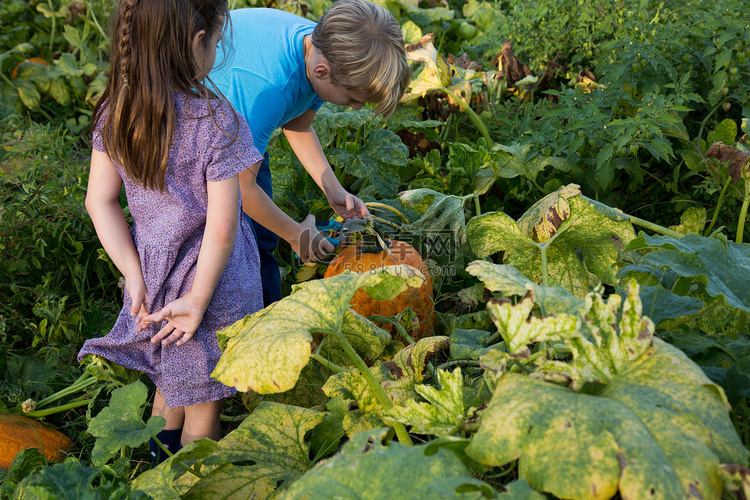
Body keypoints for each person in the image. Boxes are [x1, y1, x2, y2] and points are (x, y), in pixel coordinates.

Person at [77, 0, 331, 466]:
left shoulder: (116, 112)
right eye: (218, 41)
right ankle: (195, 483)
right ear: (198, 43)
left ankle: (153, 475)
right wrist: (196, 300)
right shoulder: (217, 122)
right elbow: (222, 230)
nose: (219, 49)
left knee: (169, 387)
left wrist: (133, 273)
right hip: (213, 287)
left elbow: (100, 202)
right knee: (203, 408)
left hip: (155, 276)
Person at [209, 0, 412, 306]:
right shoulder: (271, 87)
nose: (356, 107)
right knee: (235, 241)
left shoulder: (318, 54)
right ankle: (245, 319)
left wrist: (333, 188)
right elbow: (241, 189)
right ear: (323, 72)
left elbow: (298, 126)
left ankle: (267, 310)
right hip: (198, 133)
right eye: (353, 99)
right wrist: (294, 235)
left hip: (240, 132)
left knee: (262, 233)